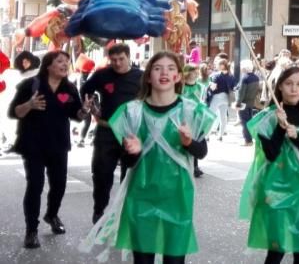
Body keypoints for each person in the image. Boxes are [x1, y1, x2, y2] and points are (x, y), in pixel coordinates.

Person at [81, 51, 215, 264]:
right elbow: (127, 163)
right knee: (143, 259)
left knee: (174, 260)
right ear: (148, 76)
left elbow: (202, 152)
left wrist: (189, 142)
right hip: (141, 195)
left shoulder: (192, 111)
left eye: (171, 68)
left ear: (178, 77)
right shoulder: (132, 112)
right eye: (157, 68)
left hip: (177, 196)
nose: (164, 72)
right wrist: (132, 152)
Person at [239, 65, 299, 264]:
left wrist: (297, 137)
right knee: (276, 250)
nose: (294, 89)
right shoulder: (267, 117)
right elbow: (271, 154)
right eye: (289, 84)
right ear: (279, 86)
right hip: (275, 188)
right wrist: (280, 129)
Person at [9, 50, 93, 249]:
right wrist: (29, 104)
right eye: (60, 61)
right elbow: (15, 112)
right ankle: (31, 230)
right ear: (48, 65)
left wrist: (85, 110)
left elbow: (77, 115)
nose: (65, 64)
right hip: (33, 145)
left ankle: (52, 214)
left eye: (67, 61)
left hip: (58, 144)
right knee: (35, 186)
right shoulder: (31, 85)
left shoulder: (70, 88)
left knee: (59, 185)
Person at [81, 43, 143, 224]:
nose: (117, 63)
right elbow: (86, 90)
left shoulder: (140, 77)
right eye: (113, 60)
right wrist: (93, 105)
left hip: (131, 132)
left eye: (121, 59)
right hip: (106, 129)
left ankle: (125, 213)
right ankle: (99, 210)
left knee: (130, 174)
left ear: (128, 57)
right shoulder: (102, 74)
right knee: (101, 174)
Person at [181, 65, 209, 178]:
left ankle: (195, 166)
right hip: (185, 117)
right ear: (187, 73)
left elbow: (202, 100)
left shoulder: (200, 87)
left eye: (197, 71)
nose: (196, 73)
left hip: (197, 117)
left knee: (197, 140)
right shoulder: (181, 87)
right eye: (193, 71)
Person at [206, 59, 236, 140]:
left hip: (217, 97)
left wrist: (209, 84)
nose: (217, 66)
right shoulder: (231, 76)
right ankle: (220, 135)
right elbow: (233, 88)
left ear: (223, 65)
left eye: (219, 64)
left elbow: (213, 88)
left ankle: (207, 135)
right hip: (226, 97)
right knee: (223, 116)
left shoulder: (216, 75)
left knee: (211, 116)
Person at [235, 60, 263, 147]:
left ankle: (248, 140)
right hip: (251, 102)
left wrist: (237, 103)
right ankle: (250, 138)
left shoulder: (245, 78)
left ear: (244, 68)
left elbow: (241, 92)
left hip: (244, 103)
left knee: (244, 123)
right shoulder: (256, 77)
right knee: (249, 121)